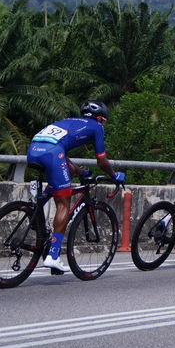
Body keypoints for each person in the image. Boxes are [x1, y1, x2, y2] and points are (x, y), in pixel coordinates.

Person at [25, 101, 124, 274]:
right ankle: (53, 256)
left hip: (33, 149)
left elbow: (62, 155)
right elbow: (101, 160)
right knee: (64, 202)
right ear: (100, 118)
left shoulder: (69, 121)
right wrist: (114, 175)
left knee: (57, 186)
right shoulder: (96, 127)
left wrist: (80, 172)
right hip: (52, 152)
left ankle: (36, 214)